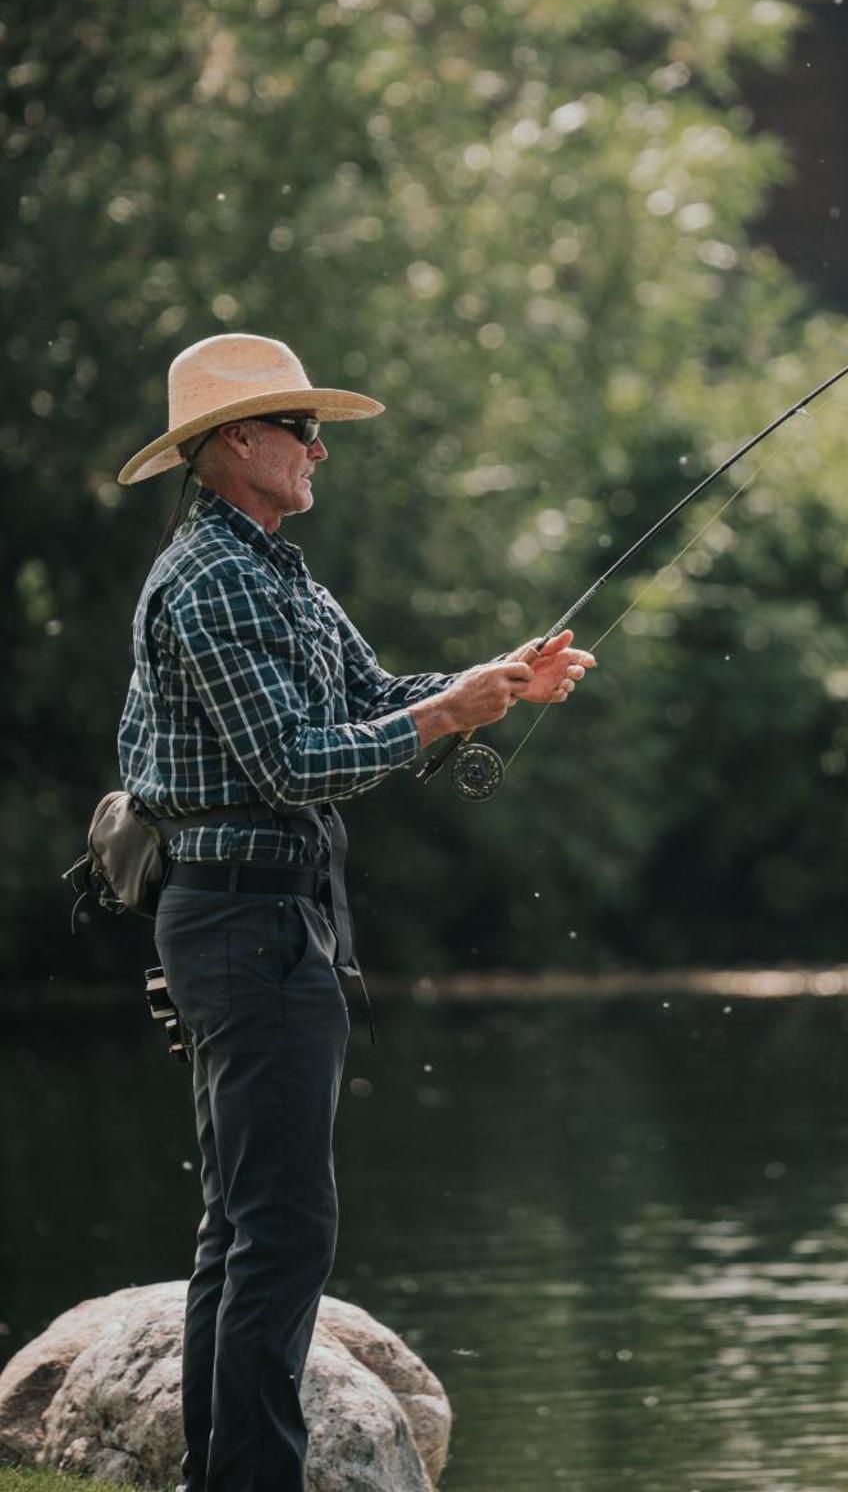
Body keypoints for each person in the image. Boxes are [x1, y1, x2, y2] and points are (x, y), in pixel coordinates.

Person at [115, 332, 594, 1492]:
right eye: (301, 428)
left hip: (269, 928)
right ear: (238, 441)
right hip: (241, 931)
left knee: (245, 1227)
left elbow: (371, 701)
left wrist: (493, 684)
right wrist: (445, 717)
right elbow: (290, 763)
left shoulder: (275, 570)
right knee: (280, 1229)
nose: (319, 448)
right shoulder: (213, 579)